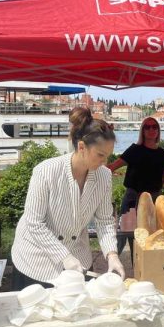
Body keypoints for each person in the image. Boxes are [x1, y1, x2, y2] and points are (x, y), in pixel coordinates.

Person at [11, 107, 124, 289]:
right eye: (100, 155)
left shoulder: (103, 176)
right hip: (36, 259)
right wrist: (64, 256)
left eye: (108, 156)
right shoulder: (45, 171)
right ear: (81, 147)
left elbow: (104, 220)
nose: (105, 162)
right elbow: (34, 223)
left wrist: (112, 255)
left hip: (78, 257)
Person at [108, 117, 164, 254]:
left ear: (158, 130)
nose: (151, 130)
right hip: (132, 199)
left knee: (152, 238)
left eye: (154, 127)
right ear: (142, 131)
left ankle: (148, 270)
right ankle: (114, 265)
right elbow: (112, 167)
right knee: (126, 236)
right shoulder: (134, 150)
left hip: (154, 199)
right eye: (147, 127)